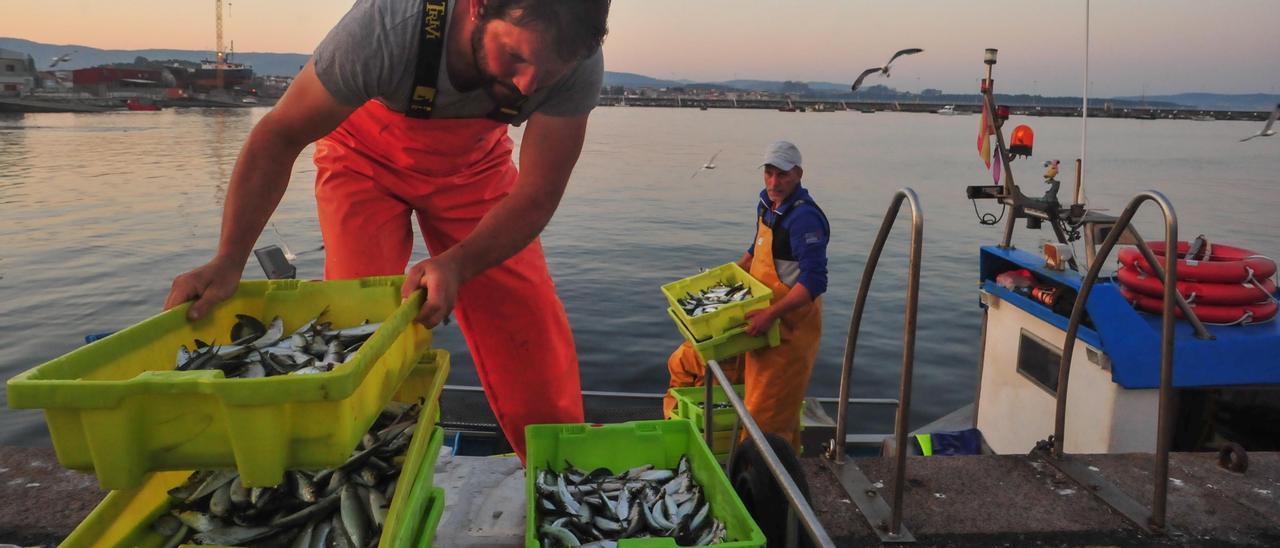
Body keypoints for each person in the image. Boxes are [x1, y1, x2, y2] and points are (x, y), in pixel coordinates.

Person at [163, 0, 611, 460]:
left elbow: (538, 194)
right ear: (477, 7)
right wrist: (229, 259)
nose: (526, 85)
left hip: (473, 170)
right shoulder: (389, 25)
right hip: (361, 161)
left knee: (527, 323)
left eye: (546, 74)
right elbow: (280, 135)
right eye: (516, 57)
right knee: (357, 326)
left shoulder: (578, 59)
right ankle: (362, 462)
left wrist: (457, 264)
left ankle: (561, 476)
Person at [663, 141, 829, 450]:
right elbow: (758, 249)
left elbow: (815, 281)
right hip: (758, 322)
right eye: (769, 173)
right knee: (691, 362)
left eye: (783, 175)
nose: (774, 182)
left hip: (788, 331)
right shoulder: (767, 204)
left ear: (799, 174)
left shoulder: (805, 218)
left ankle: (764, 489)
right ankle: (782, 468)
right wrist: (729, 273)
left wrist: (771, 314)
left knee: (765, 421)